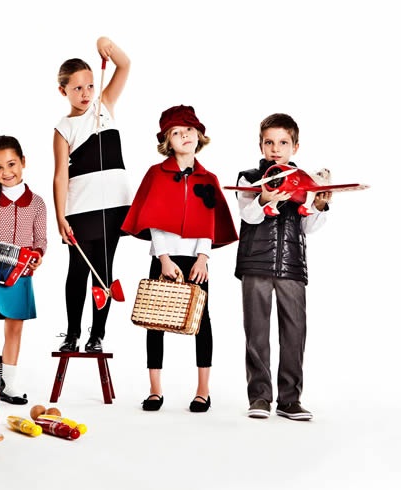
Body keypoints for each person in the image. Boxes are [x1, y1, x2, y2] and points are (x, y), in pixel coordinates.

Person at [122, 105, 238, 412]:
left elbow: (208, 221)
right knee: (155, 320)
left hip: (195, 261)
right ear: (167, 141)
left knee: (201, 321)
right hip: (165, 259)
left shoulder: (208, 178)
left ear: (198, 135)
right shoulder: (156, 174)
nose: (184, 135)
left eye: (189, 130)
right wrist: (163, 258)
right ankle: (155, 390)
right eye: (176, 132)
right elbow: (153, 220)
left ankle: (203, 390)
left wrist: (203, 258)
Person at [234, 113, 330, 421]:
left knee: (294, 332)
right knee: (256, 333)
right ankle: (260, 397)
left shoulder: (305, 181)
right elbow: (248, 217)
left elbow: (309, 227)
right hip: (255, 263)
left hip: (292, 264)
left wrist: (319, 205)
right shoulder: (248, 178)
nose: (276, 149)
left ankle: (290, 400)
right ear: (260, 145)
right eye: (269, 142)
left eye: (283, 143)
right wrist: (264, 198)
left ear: (295, 147)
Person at [53, 36, 132, 353]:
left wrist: (106, 44)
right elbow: (60, 175)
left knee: (104, 270)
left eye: (89, 86)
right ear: (63, 91)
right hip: (80, 210)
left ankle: (97, 335)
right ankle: (72, 333)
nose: (86, 93)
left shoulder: (104, 107)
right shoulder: (63, 128)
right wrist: (60, 216)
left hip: (114, 206)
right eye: (77, 88)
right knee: (78, 270)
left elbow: (125, 65)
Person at [0, 135, 47, 405]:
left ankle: (9, 385)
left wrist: (37, 256)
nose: (6, 172)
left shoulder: (37, 203)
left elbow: (41, 240)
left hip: (20, 274)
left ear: (23, 162)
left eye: (11, 164)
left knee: (14, 329)